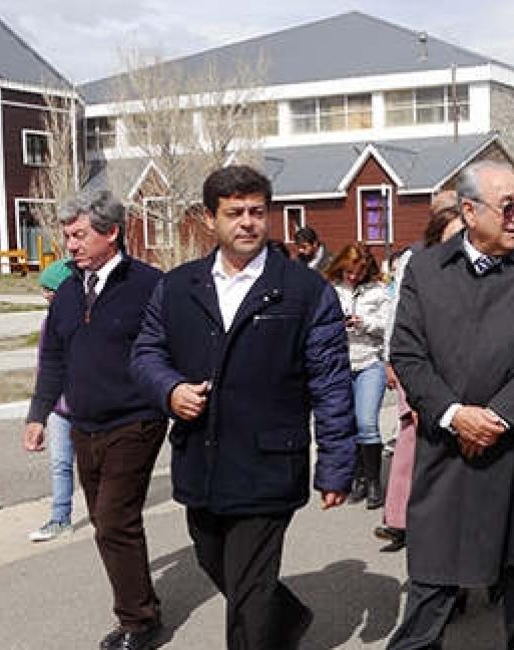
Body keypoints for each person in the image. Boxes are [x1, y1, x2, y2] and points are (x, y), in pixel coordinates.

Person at [132, 165, 355, 650]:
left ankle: (268, 630)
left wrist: (338, 463)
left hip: (269, 462)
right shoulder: (177, 287)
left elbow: (332, 382)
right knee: (217, 563)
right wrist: (170, 390)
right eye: (235, 213)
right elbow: (146, 353)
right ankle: (290, 616)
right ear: (211, 218)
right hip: (201, 460)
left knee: (248, 602)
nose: (248, 223)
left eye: (257, 212)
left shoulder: (304, 290)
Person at [386, 160, 514, 650]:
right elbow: (407, 352)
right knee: (431, 584)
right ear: (469, 211)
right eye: (507, 206)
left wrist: (497, 418)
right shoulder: (426, 268)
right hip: (449, 453)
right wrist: (454, 416)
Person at [22, 190, 166, 650]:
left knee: (111, 520)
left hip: (136, 419)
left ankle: (139, 624)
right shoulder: (66, 291)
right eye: (66, 236)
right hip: (84, 424)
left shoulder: (149, 284)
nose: (70, 245)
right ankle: (142, 602)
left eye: (79, 235)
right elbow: (55, 359)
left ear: (111, 232)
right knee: (115, 523)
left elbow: (174, 347)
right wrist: (38, 414)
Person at [374, 190, 464, 552]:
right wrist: (390, 359)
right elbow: (398, 311)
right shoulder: (415, 259)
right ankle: (398, 518)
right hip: (418, 364)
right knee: (410, 439)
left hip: (461, 370)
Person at [324, 243, 393, 510]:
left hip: (369, 362)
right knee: (347, 424)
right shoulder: (330, 290)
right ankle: (358, 477)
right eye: (349, 271)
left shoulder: (378, 291)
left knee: (366, 422)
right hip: (340, 364)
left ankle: (374, 481)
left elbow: (389, 326)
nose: (353, 276)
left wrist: (364, 322)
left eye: (359, 271)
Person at [26, 259, 77, 542]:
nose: (45, 294)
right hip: (59, 407)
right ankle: (60, 518)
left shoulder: (83, 318)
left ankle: (108, 517)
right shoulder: (49, 322)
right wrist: (39, 414)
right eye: (43, 289)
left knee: (99, 467)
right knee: (60, 464)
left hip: (86, 404)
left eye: (50, 289)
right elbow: (46, 368)